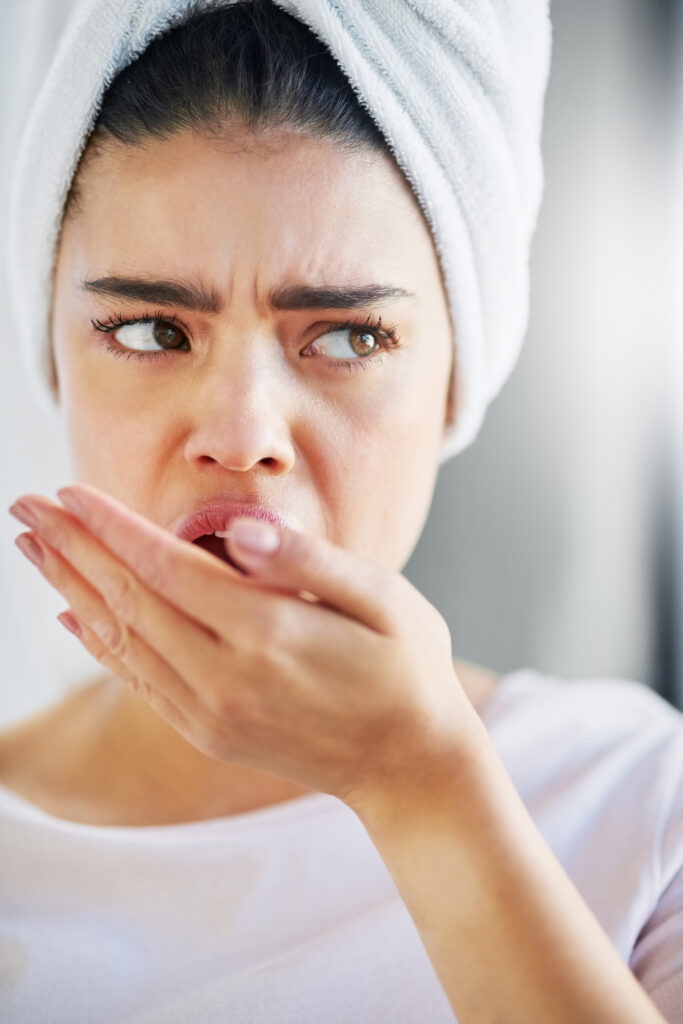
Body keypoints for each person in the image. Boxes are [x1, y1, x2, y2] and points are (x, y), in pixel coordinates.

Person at [1, 1, 681, 1021]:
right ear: (54, 357)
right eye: (149, 330)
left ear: (457, 380)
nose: (240, 434)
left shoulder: (641, 798)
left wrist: (421, 782)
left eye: (349, 338)